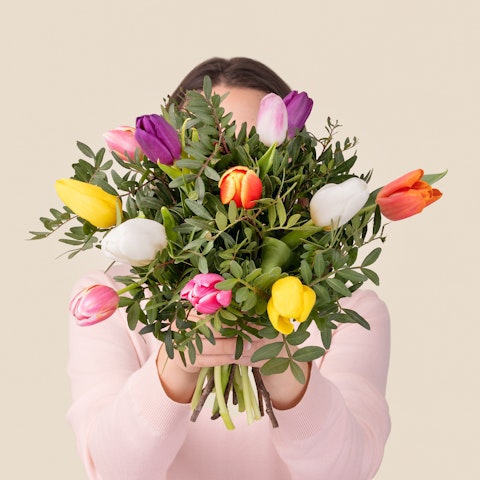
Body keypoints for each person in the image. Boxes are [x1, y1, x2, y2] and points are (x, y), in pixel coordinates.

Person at [67, 57, 391, 480]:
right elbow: (113, 471)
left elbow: (348, 471)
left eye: (254, 153)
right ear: (164, 173)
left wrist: (288, 369)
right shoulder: (114, 300)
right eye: (208, 151)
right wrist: (175, 365)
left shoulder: (347, 307)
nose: (229, 173)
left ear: (297, 167)